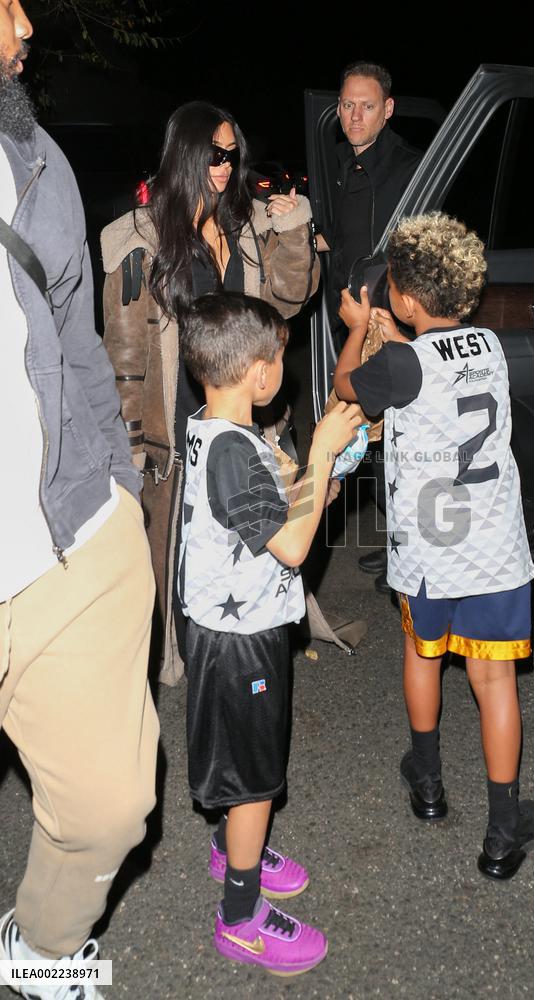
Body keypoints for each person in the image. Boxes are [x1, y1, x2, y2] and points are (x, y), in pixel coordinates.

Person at [0, 2, 158, 997]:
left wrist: (118, 487)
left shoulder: (39, 160)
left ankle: (43, 949)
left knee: (109, 804)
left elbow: (79, 337)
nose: (23, 24)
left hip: (66, 530)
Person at [333, 213, 534, 880]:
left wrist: (356, 329)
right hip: (494, 550)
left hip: (429, 551)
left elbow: (346, 386)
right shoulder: (490, 344)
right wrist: (399, 337)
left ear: (403, 298)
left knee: (422, 655)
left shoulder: (399, 365)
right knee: (494, 681)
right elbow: (436, 363)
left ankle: (427, 783)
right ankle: (502, 833)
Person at [101, 101, 319, 684]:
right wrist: (130, 447)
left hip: (241, 420)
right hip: (177, 429)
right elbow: (125, 358)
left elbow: (288, 301)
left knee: (247, 554)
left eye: (232, 155)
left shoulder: (246, 227)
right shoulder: (142, 240)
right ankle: (187, 666)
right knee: (177, 560)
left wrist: (293, 230)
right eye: (214, 154)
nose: (224, 166)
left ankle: (238, 665)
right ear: (187, 153)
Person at [177, 291, 361, 974]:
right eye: (281, 358)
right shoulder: (234, 451)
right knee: (255, 777)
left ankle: (232, 847)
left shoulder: (215, 427)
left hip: (226, 629)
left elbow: (273, 510)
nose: (283, 368)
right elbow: (290, 546)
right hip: (238, 641)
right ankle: (240, 916)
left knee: (241, 757)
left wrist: (314, 480)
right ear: (260, 374)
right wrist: (320, 455)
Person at [316, 61, 423, 594]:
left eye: (367, 106)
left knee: (397, 437)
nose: (355, 115)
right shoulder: (340, 162)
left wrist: (394, 319)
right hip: (351, 320)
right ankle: (397, 540)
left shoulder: (409, 166)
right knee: (375, 439)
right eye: (347, 105)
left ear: (388, 110)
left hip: (387, 323)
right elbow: (345, 234)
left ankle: (411, 549)